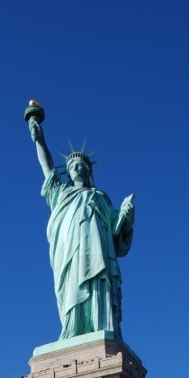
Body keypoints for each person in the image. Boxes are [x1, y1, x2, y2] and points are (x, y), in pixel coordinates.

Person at [28, 114, 135, 340]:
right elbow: (47, 167)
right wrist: (39, 140)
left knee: (98, 282)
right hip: (68, 253)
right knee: (71, 288)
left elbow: (118, 237)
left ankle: (99, 325)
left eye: (81, 165)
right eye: (73, 166)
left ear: (89, 171)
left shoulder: (100, 197)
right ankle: (73, 328)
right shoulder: (62, 194)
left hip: (97, 254)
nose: (77, 168)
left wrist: (126, 216)